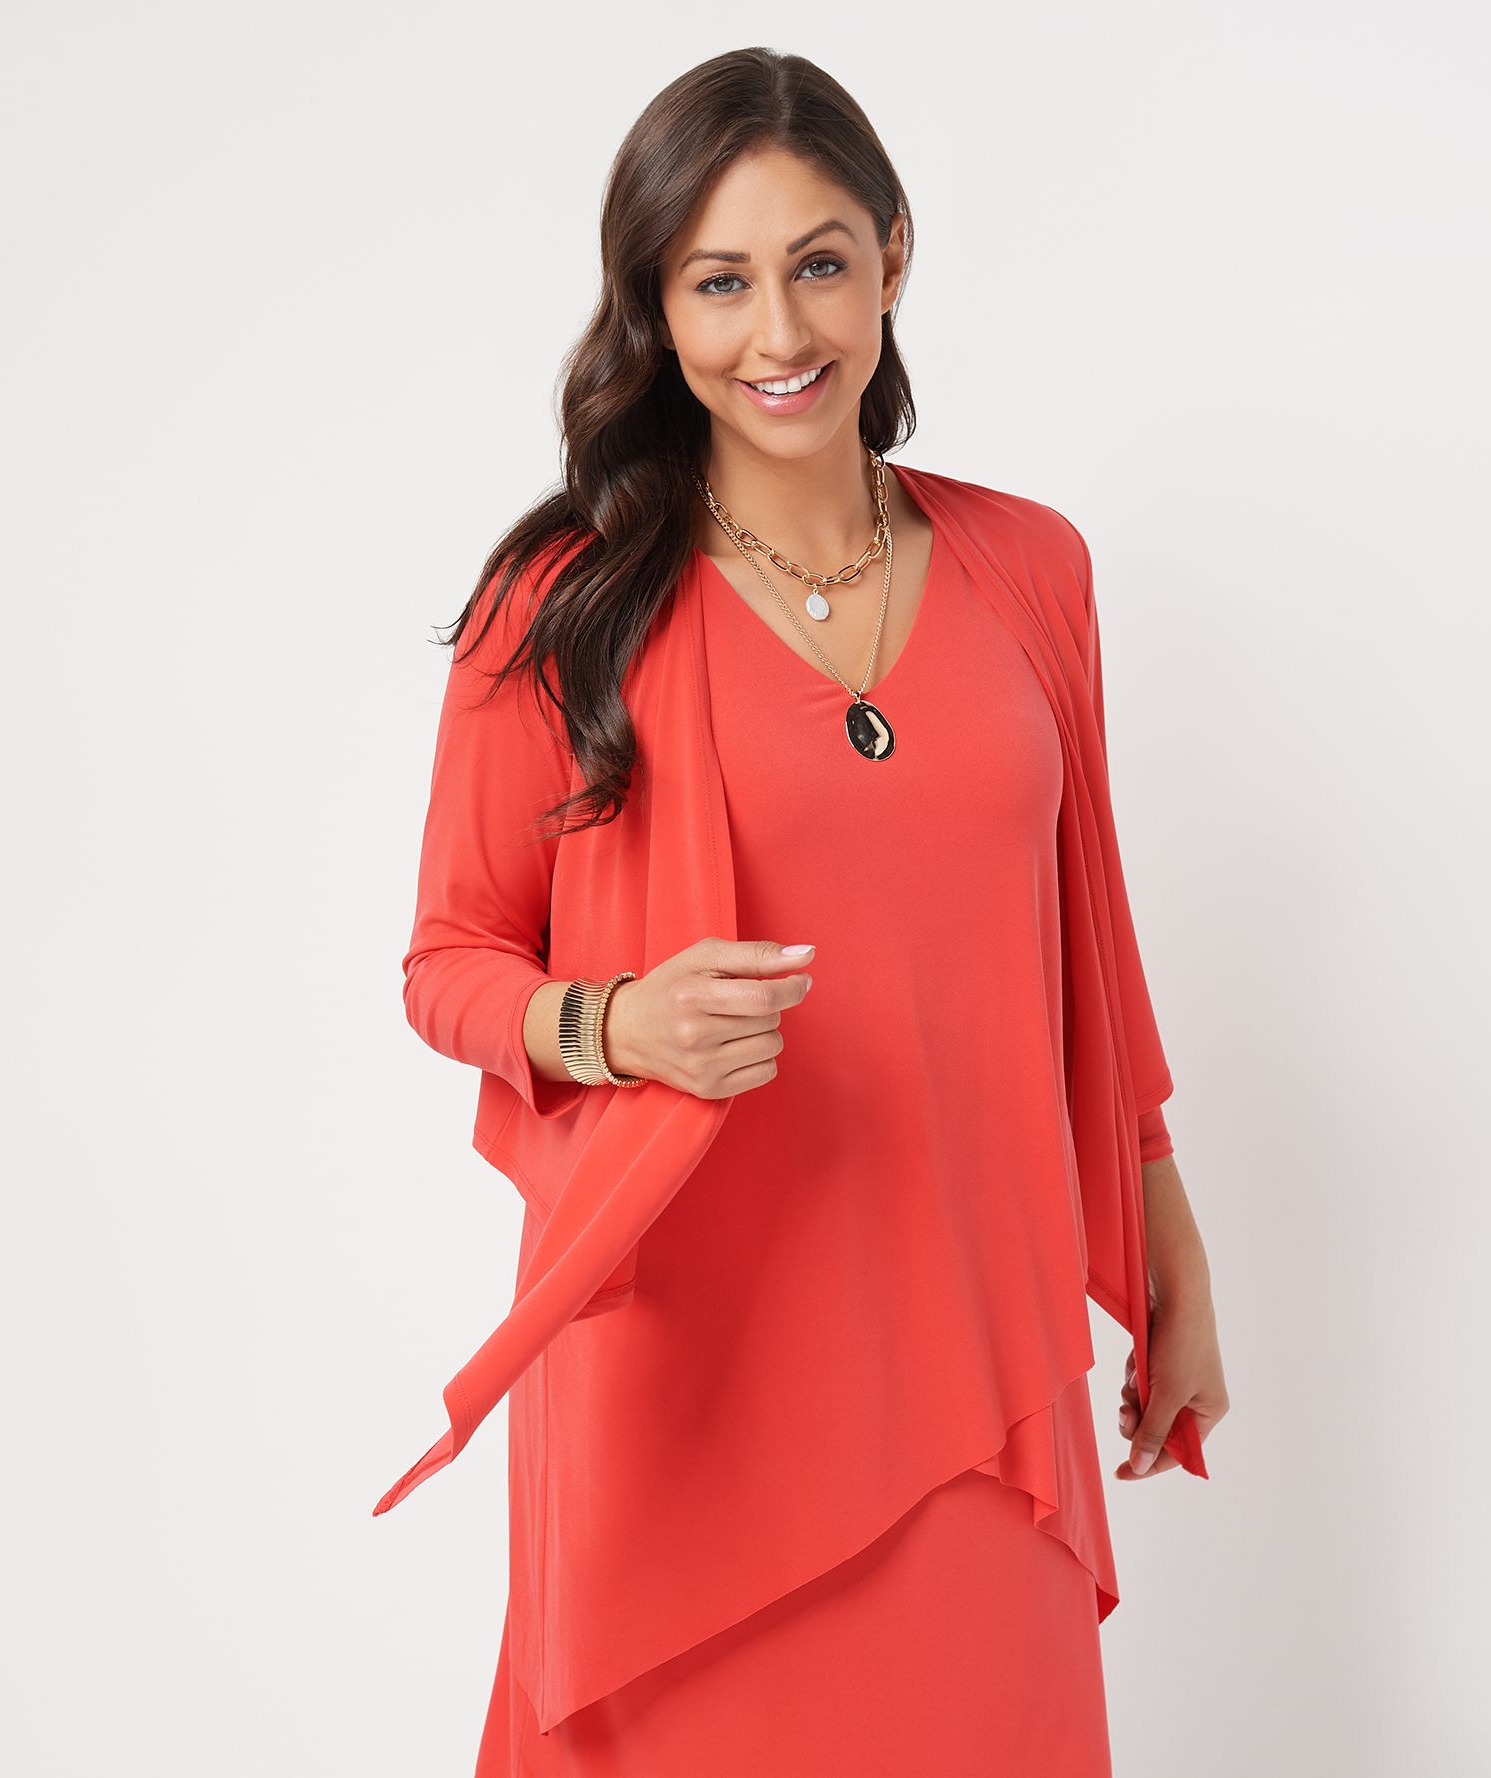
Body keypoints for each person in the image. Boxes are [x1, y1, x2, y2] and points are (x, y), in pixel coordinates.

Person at [379, 46, 1229, 1776]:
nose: (779, 331)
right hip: (689, 1365)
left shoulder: (1030, 567)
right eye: (720, 281)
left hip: (977, 1349)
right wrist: (611, 1021)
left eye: (820, 263)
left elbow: (1091, 937)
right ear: (656, 306)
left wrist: (1167, 1242)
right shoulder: (559, 604)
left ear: (893, 258)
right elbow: (449, 961)